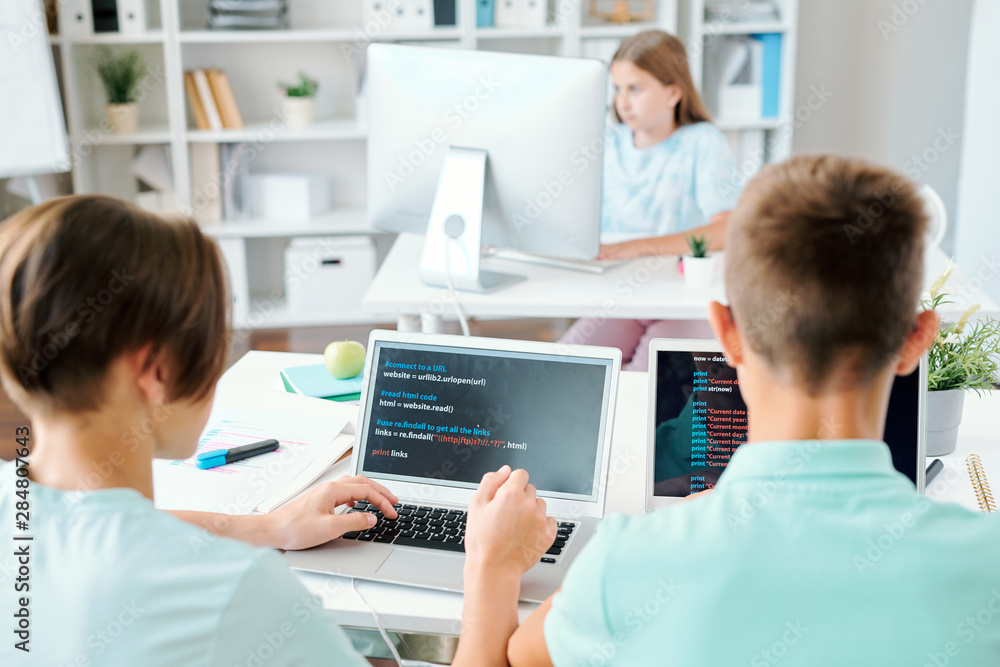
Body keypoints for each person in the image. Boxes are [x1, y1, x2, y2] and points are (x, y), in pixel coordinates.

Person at [0, 195, 555, 666]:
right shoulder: (235, 594)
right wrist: (493, 568)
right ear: (158, 373)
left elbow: (98, 522)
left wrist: (267, 527)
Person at [506, 155, 1000, 665]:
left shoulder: (624, 565)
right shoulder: (988, 569)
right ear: (917, 339)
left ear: (726, 333)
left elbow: (515, 657)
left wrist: (492, 570)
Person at [560, 30, 742, 371]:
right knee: (564, 367)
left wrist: (640, 246)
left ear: (673, 92)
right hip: (621, 297)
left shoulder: (702, 143)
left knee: (638, 388)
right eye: (617, 89)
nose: (622, 102)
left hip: (680, 298)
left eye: (635, 89)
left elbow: (728, 229)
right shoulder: (608, 144)